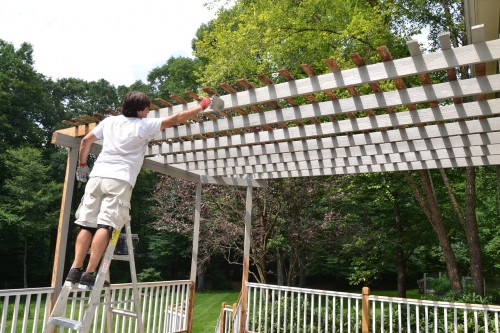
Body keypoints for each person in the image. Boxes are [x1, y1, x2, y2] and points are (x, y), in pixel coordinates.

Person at [65, 91, 212, 289]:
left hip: (97, 177)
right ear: (140, 109)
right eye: (147, 108)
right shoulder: (144, 125)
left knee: (86, 224)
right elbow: (176, 118)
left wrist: (82, 165)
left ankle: (75, 270)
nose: (149, 112)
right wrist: (201, 106)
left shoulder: (109, 122)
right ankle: (89, 274)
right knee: (105, 225)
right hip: (119, 179)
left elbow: (85, 142)